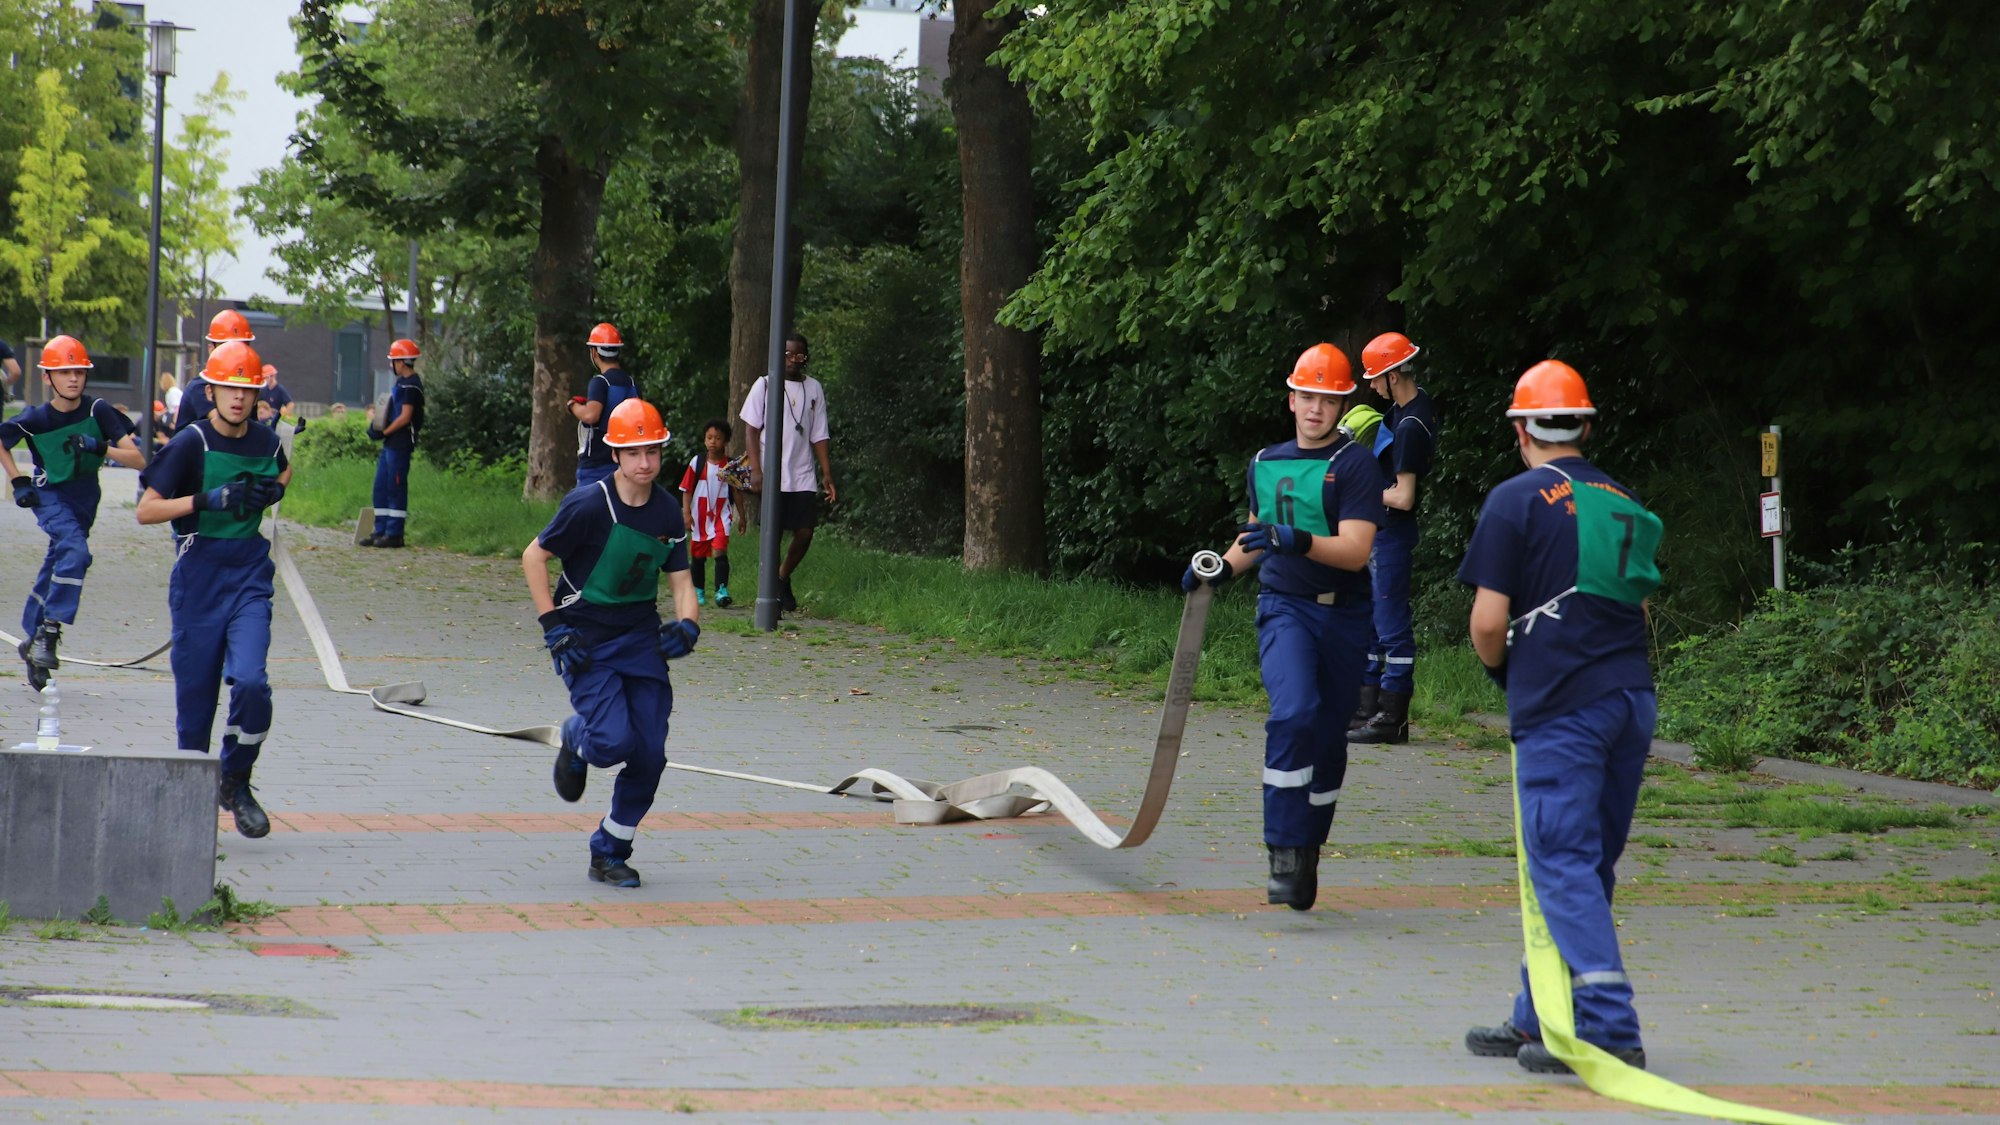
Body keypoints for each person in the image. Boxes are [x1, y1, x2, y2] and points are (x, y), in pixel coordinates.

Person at [1459, 359, 1661, 1075]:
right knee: (1581, 862)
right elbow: (1637, 607)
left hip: (1562, 707)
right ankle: (1538, 1013)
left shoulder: (1514, 500)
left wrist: (1502, 671)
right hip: (1630, 697)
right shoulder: (1623, 499)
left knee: (1559, 859)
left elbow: (1488, 621)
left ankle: (1608, 1025)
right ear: (1584, 424)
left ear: (1522, 429)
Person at [1182, 343, 1384, 911]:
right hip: (1285, 608)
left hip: (1344, 615)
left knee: (1327, 738)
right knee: (1292, 713)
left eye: (1328, 399)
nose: (1315, 408)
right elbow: (1255, 537)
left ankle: (1310, 844)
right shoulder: (1265, 460)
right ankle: (1284, 849)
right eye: (1307, 396)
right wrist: (1217, 570)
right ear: (1291, 398)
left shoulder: (1356, 465)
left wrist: (1295, 540)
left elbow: (1355, 550)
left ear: (1342, 405)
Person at [521, 397, 698, 889]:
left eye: (653, 452)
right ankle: (576, 737)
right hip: (584, 640)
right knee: (611, 741)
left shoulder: (666, 511)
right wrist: (552, 626)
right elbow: (533, 559)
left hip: (640, 639)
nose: (645, 463)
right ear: (616, 455)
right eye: (634, 453)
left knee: (649, 753)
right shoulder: (586, 504)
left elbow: (681, 581)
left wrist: (688, 625)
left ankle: (610, 851)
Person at [136, 339, 291, 840]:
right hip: (198, 575)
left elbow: (283, 470)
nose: (239, 399)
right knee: (195, 710)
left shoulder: (267, 440)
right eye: (230, 389)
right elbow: (146, 510)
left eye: (247, 390)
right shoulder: (191, 442)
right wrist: (205, 499)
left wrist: (275, 491)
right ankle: (189, 815)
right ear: (212, 389)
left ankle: (237, 780)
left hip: (248, 574)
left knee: (250, 683)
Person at [0, 336, 145, 688]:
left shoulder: (99, 411)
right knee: (76, 552)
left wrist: (102, 446)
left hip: (85, 498)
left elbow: (140, 458)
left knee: (61, 558)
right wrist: (18, 480)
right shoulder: (35, 418)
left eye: (79, 372)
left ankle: (32, 638)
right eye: (64, 372)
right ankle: (50, 631)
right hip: (49, 496)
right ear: (48, 378)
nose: (74, 379)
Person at [1351, 331, 1440, 745]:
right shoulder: (1402, 411)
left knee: (1390, 627)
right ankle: (1365, 711)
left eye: (1375, 378)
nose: (1371, 386)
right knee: (1370, 624)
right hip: (1378, 531)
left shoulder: (1410, 425)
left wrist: (1361, 491)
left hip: (1392, 534)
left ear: (1393, 374)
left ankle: (1392, 719)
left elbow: (1403, 497)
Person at [739, 332, 835, 614]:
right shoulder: (765, 384)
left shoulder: (814, 388)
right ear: (779, 356)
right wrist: (756, 469)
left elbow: (819, 434)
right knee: (774, 533)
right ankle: (772, 592)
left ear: (806, 358)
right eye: (789, 354)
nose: (794, 360)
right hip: (772, 472)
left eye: (800, 355)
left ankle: (781, 576)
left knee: (805, 531)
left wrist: (826, 473)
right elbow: (751, 429)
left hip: (802, 472)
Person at [363, 339, 425, 548]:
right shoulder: (400, 383)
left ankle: (394, 534)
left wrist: (384, 431)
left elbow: (405, 417)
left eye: (394, 361)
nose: (391, 365)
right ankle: (380, 530)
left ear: (403, 362)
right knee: (381, 487)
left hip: (400, 444)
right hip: (390, 444)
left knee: (395, 487)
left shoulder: (411, 386)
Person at [680, 418, 742, 608]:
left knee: (720, 550)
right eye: (709, 438)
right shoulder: (697, 463)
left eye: (718, 438)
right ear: (704, 440)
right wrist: (686, 513)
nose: (713, 442)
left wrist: (743, 515)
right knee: (698, 555)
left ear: (726, 441)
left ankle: (721, 590)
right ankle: (698, 590)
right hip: (699, 515)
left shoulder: (730, 466)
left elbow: (737, 491)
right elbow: (687, 489)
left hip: (721, 515)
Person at [569, 322, 639, 488]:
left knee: (582, 510)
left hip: (596, 464)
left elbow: (591, 415)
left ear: (594, 352)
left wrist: (573, 405)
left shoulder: (600, 382)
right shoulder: (632, 384)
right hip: (625, 462)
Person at [173, 309, 257, 433]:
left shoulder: (248, 387)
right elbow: (228, 426)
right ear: (211, 349)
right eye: (226, 347)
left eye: (240, 347)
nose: (240, 395)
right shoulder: (200, 387)